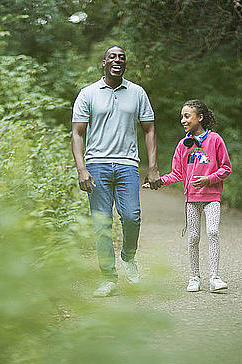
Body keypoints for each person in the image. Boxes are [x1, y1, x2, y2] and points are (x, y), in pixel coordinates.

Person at [72, 45, 162, 297]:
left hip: (127, 164)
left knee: (132, 216)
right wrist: (81, 169)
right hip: (97, 165)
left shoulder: (137, 93)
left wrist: (153, 167)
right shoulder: (88, 93)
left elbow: (149, 129)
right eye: (112, 57)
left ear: (125, 64)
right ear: (104, 62)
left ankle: (128, 257)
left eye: (122, 57)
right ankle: (108, 278)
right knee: (102, 223)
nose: (117, 60)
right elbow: (78, 133)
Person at [143, 100, 231, 292]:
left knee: (213, 232)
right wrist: (157, 182)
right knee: (193, 237)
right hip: (192, 200)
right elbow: (177, 174)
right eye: (181, 116)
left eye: (187, 116)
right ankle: (194, 277)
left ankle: (214, 277)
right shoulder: (183, 144)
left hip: (212, 197)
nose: (183, 120)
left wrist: (209, 179)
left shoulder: (215, 140)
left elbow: (226, 168)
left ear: (200, 118)